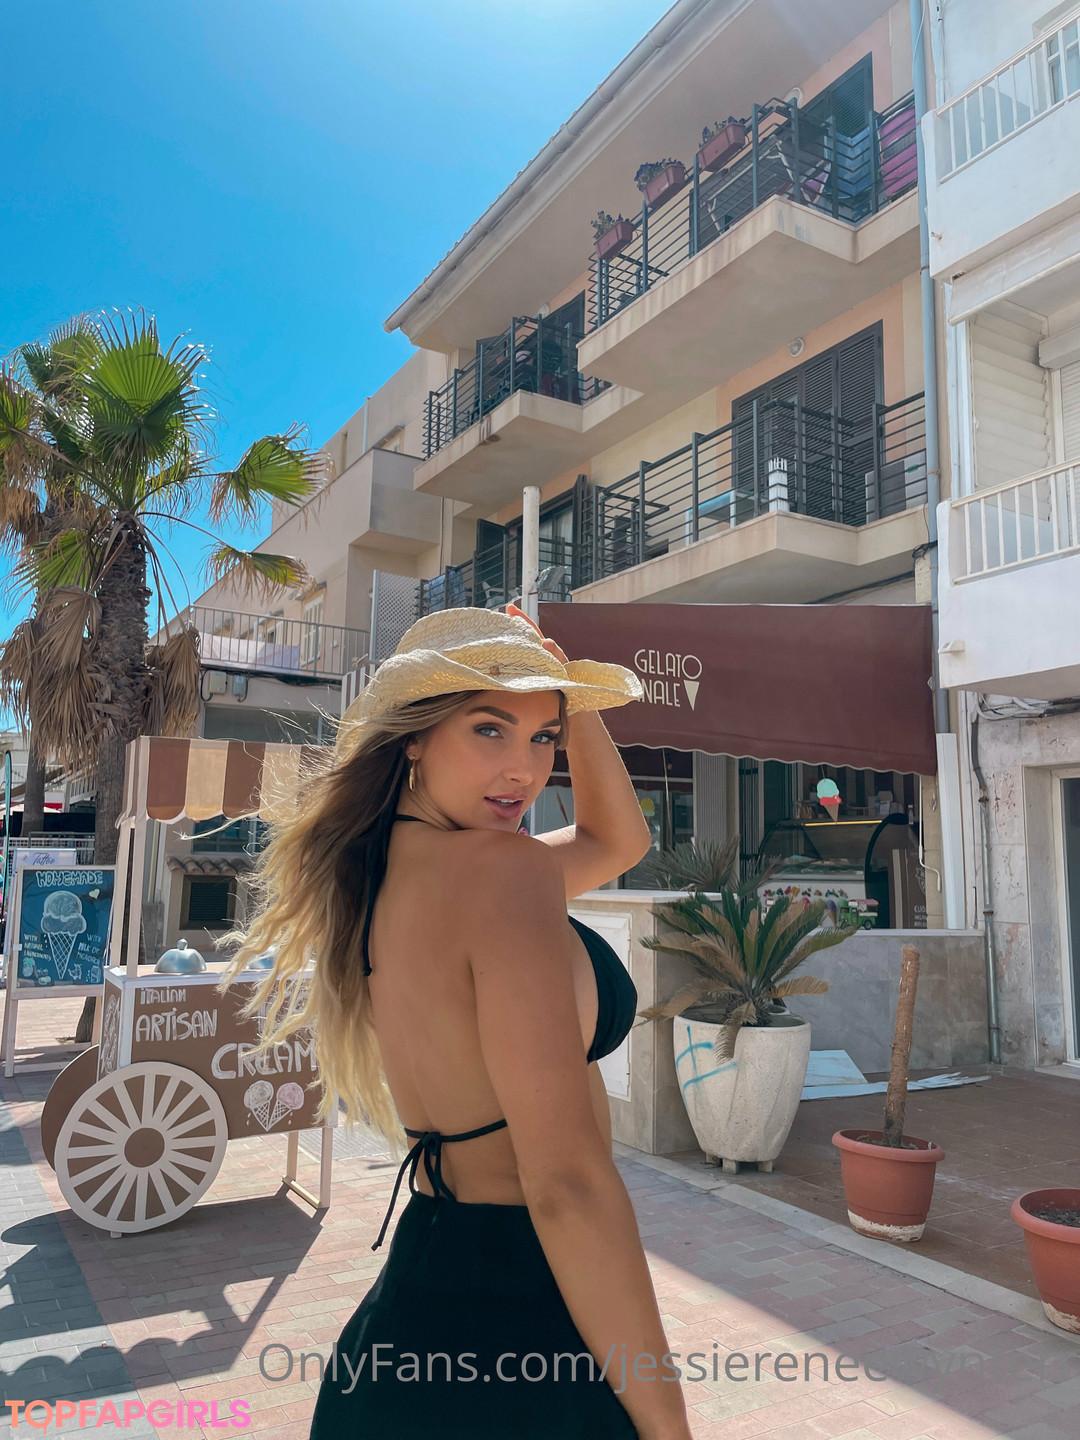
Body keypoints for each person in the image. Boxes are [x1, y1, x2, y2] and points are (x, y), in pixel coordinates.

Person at [221, 604, 695, 1440]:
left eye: (543, 738)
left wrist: (568, 695)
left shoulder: (384, 876)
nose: (524, 769)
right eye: (488, 729)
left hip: (415, 1304)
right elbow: (567, 1183)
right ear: (414, 736)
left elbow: (615, 841)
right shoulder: (500, 874)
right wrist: (669, 1425)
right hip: (519, 1324)